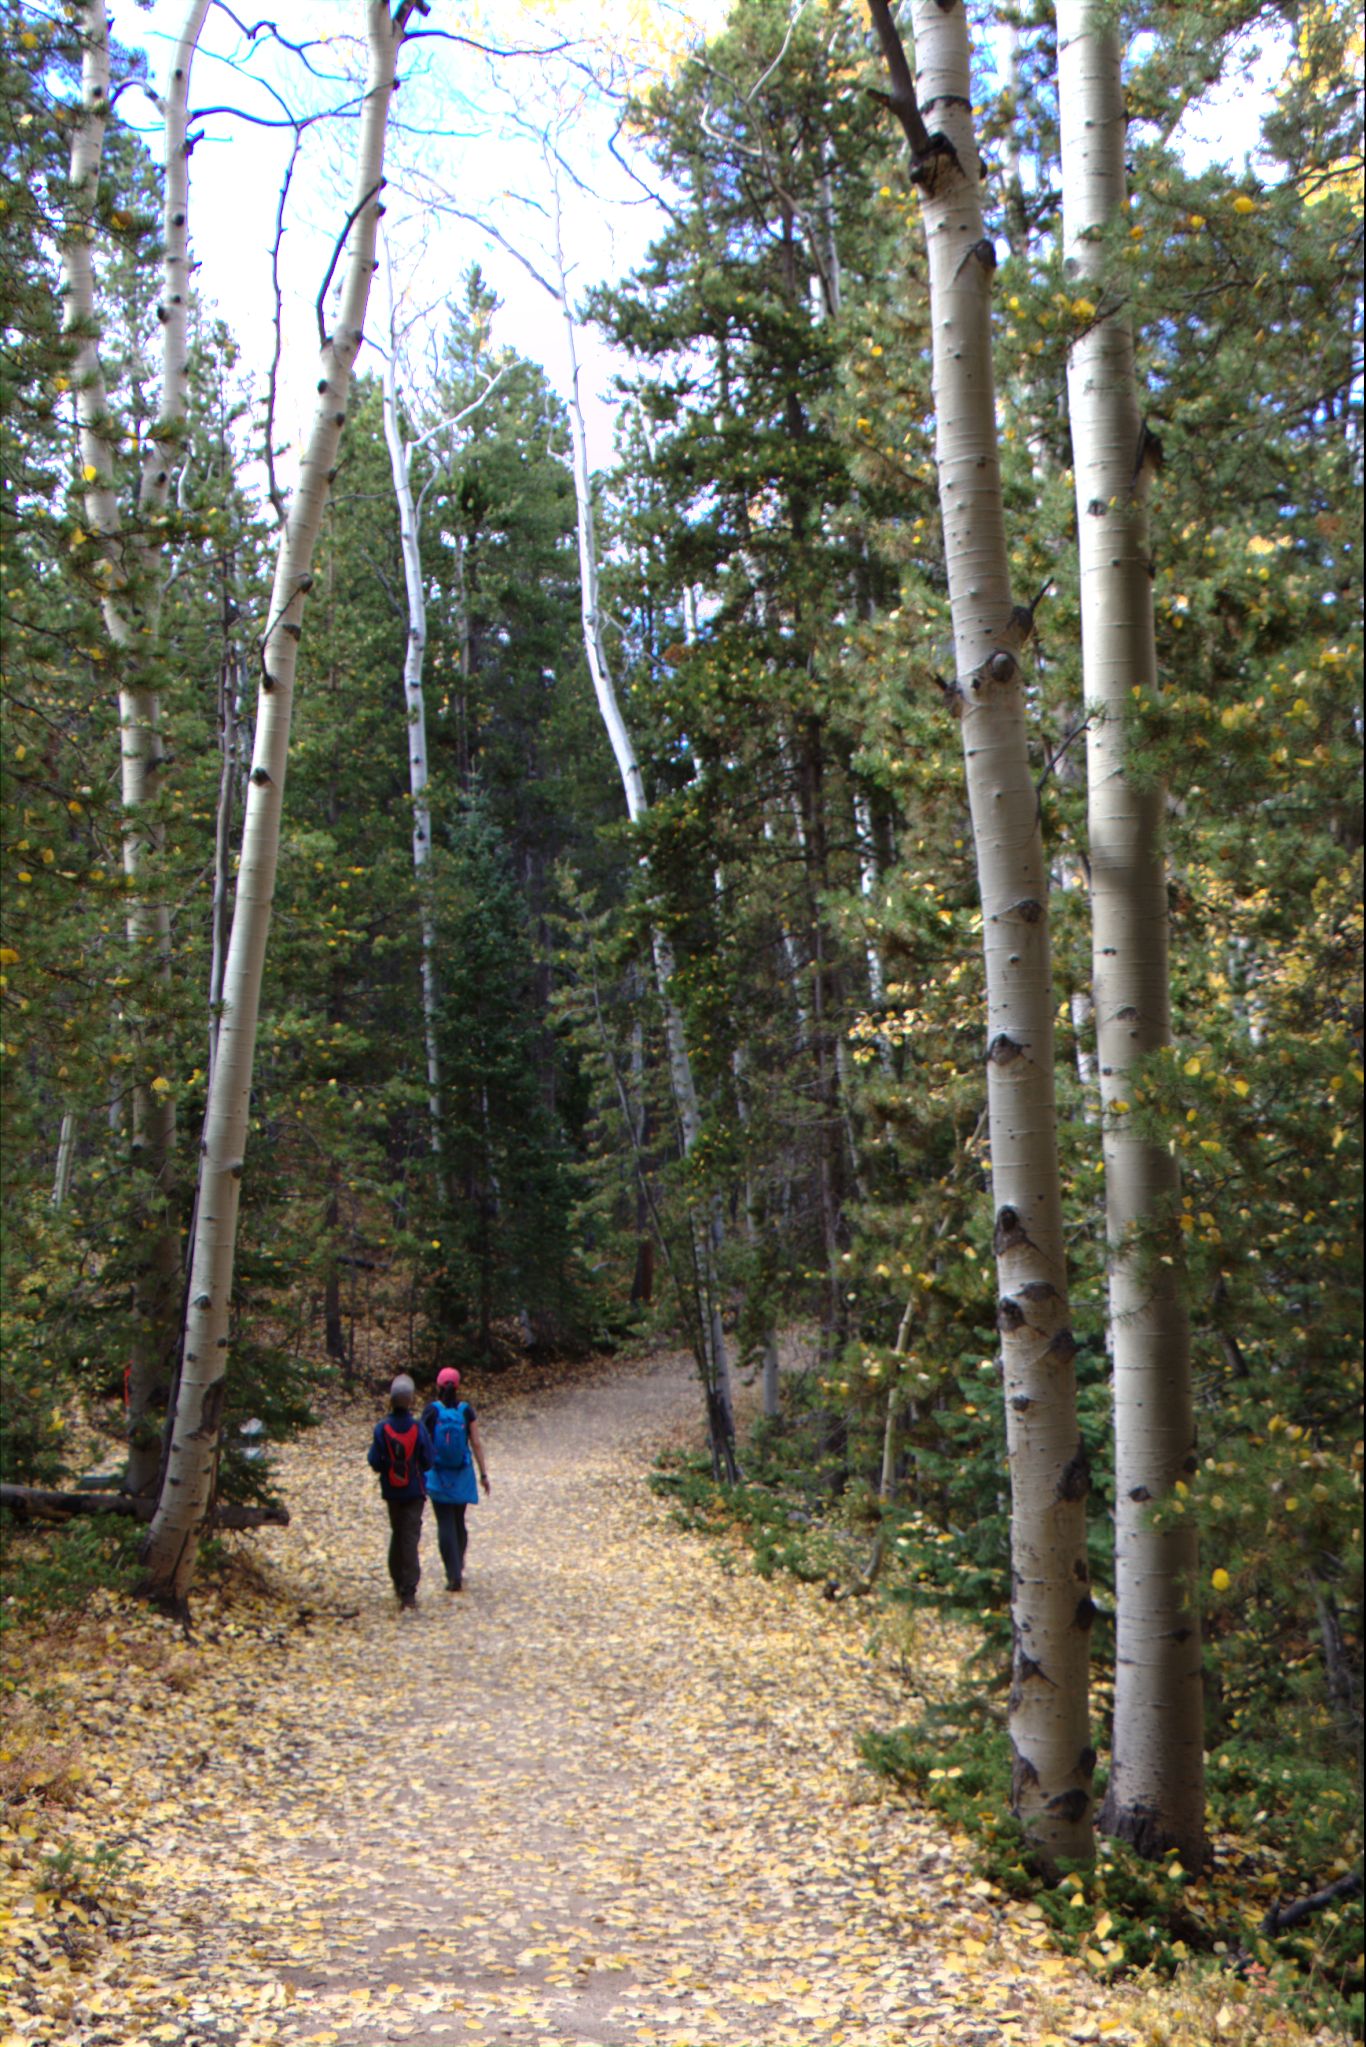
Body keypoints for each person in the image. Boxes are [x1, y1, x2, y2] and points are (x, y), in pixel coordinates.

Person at [421, 1366, 491, 1592]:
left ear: (438, 1386)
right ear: (458, 1386)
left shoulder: (431, 1411)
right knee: (459, 1520)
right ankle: (458, 1563)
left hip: (438, 1474)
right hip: (462, 1473)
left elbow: (421, 1442)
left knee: (444, 1523)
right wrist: (483, 1474)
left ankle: (452, 1574)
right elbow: (476, 1443)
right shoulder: (466, 1411)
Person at [366, 1372, 431, 1610]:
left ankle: (397, 1580)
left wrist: (387, 1470)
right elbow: (428, 1459)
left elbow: (374, 1460)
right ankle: (409, 1590)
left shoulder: (382, 1428)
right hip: (414, 1491)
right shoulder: (417, 1427)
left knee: (397, 1532)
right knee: (410, 1537)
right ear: (411, 1400)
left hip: (392, 1491)